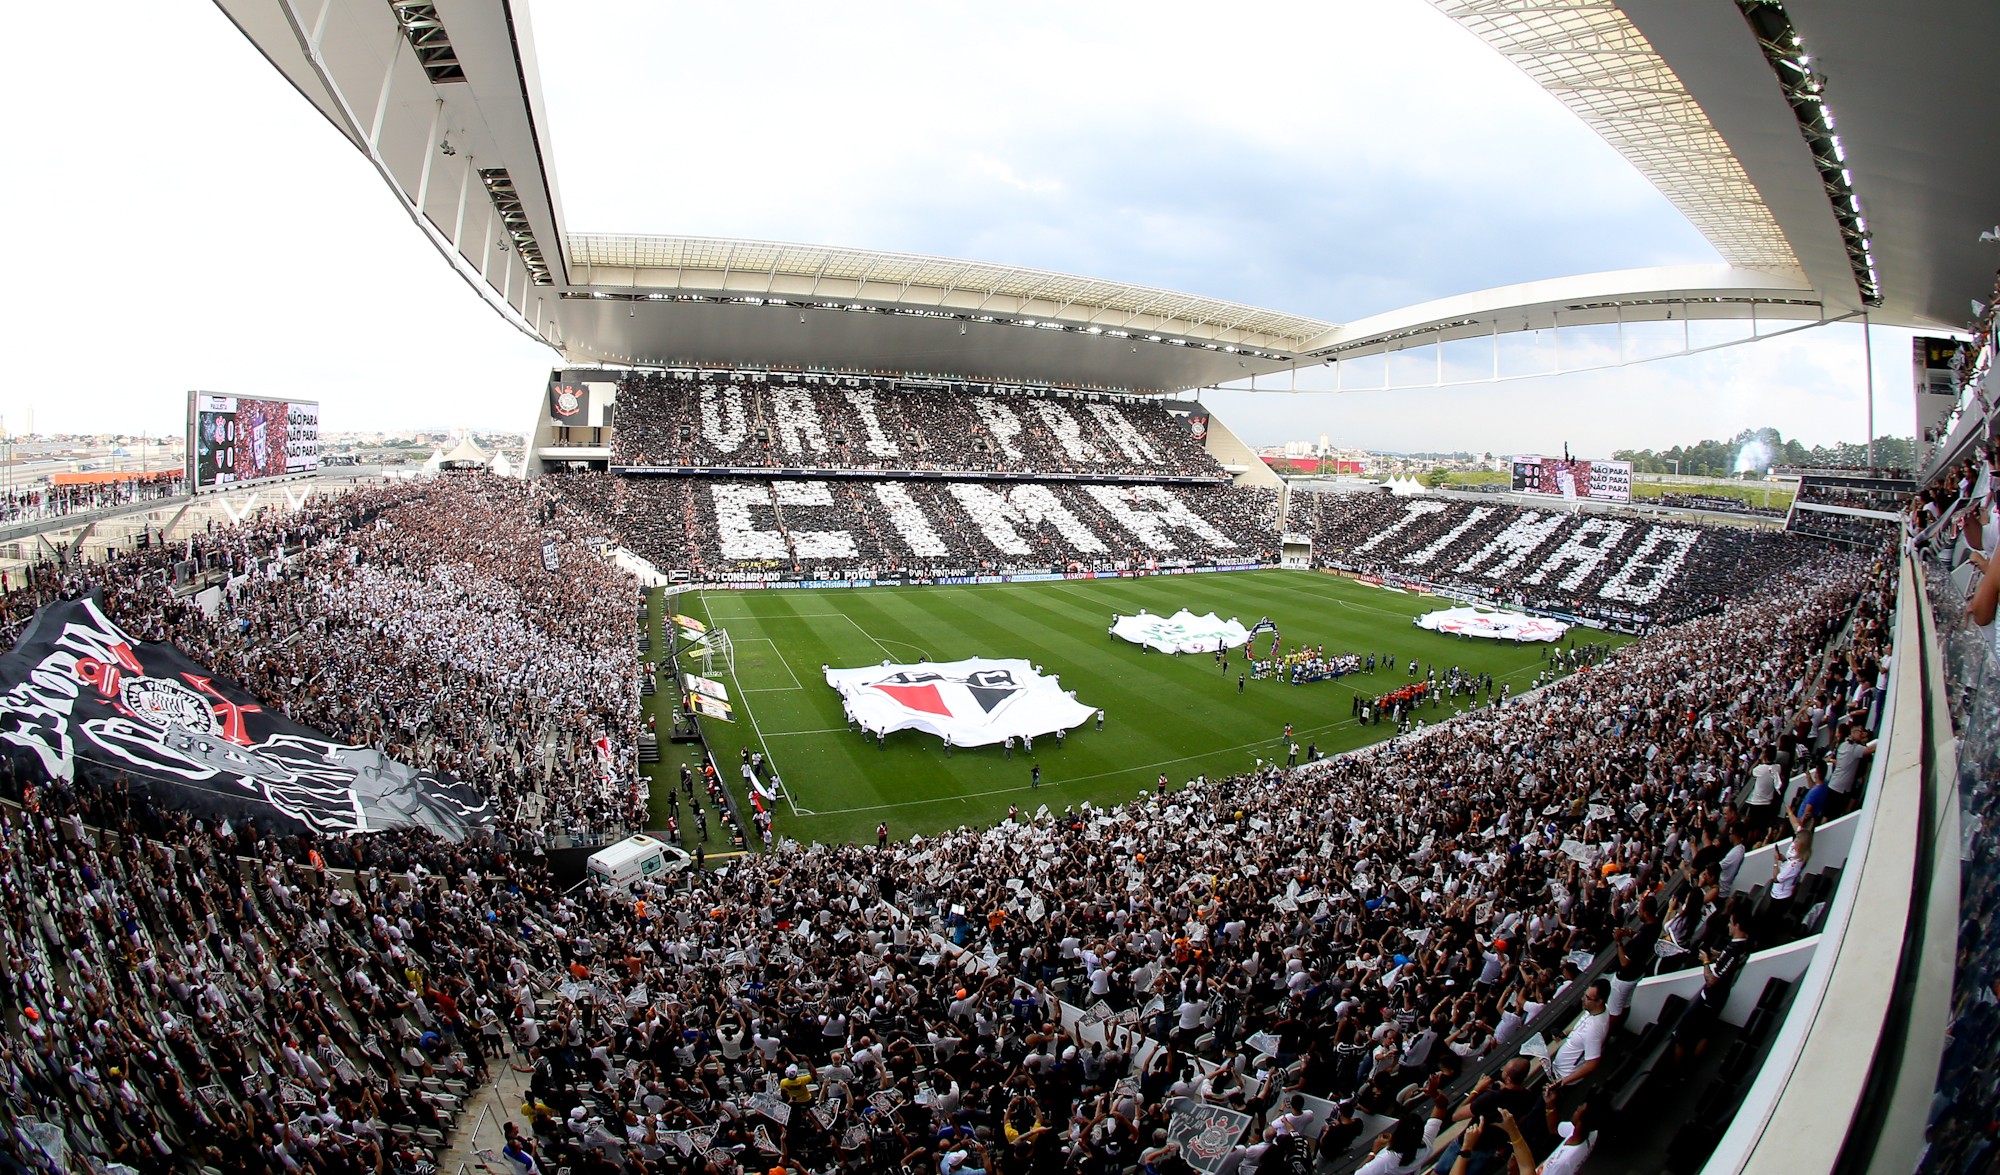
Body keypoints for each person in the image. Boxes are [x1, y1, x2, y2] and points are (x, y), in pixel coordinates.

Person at [1544, 979, 1610, 1089]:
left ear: (1599, 1001)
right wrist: (1564, 1034)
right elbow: (1580, 1030)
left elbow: (1591, 1064)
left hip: (1563, 1078)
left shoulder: (1593, 1031)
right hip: (1557, 1071)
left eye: (1588, 998)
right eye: (1585, 994)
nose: (1583, 999)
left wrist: (1563, 1082)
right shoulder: (1595, 1009)